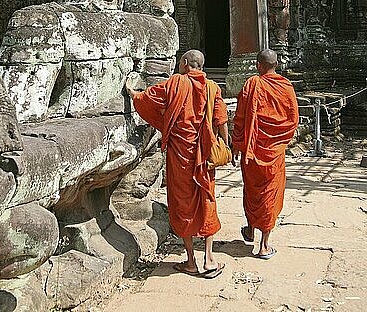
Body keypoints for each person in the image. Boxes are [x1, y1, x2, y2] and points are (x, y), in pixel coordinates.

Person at [126, 49, 228, 278]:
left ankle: (191, 260)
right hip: (204, 157)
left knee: (182, 204)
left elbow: (147, 98)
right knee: (206, 201)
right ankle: (209, 258)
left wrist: (133, 93)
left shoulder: (175, 83)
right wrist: (226, 146)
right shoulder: (213, 88)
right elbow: (222, 120)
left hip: (180, 157)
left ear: (184, 63)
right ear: (201, 66)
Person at [232, 49, 299, 259]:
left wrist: (237, 144)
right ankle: (264, 245)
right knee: (270, 194)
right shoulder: (285, 87)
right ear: (276, 64)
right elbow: (293, 119)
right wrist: (280, 141)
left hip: (252, 151)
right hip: (274, 152)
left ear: (258, 65)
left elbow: (240, 118)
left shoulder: (251, 85)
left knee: (252, 192)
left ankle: (251, 229)